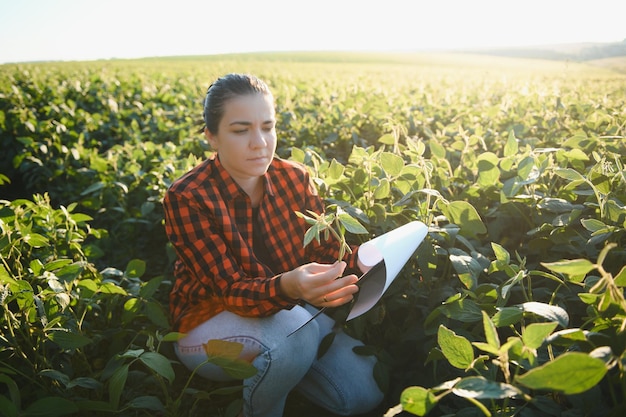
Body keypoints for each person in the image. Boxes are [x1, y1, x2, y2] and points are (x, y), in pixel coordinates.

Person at [162, 73, 384, 417]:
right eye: (241, 130)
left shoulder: (295, 178)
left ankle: (278, 368)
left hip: (293, 316)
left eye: (268, 127)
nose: (260, 142)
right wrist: (291, 285)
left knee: (362, 393)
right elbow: (229, 290)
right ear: (212, 137)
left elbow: (325, 253)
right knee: (292, 335)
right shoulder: (188, 196)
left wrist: (360, 264)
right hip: (209, 325)